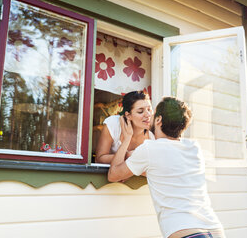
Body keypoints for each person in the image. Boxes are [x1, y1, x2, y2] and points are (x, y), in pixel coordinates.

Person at [108, 97, 225, 238]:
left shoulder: (149, 149)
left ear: (158, 120)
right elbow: (166, 171)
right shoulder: (194, 148)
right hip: (215, 229)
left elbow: (113, 175)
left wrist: (127, 138)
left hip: (187, 232)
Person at [95, 90, 154, 164]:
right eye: (140, 111)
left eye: (149, 109)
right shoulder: (113, 124)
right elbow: (99, 158)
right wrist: (128, 155)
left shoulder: (154, 134)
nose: (148, 115)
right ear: (128, 115)